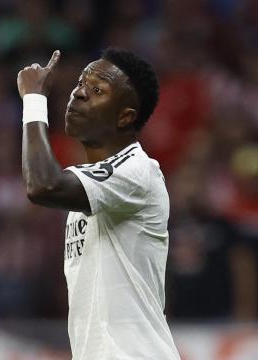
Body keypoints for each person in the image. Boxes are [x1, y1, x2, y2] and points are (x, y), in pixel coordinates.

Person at [17, 48, 180, 359]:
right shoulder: (90, 183)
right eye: (80, 83)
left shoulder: (137, 171)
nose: (78, 93)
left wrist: (34, 100)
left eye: (97, 89)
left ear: (125, 116)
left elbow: (42, 185)